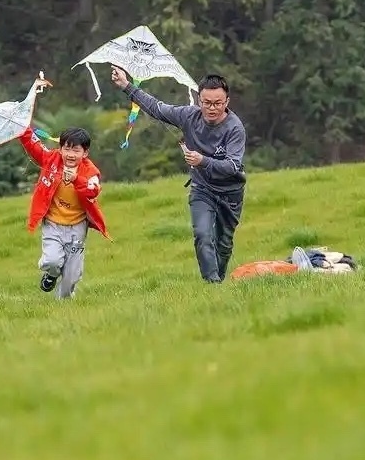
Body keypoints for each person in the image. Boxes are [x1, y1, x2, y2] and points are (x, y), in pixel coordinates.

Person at [110, 65, 246, 283]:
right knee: (203, 235)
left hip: (230, 193)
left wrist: (203, 161)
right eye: (207, 103)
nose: (212, 108)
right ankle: (212, 285)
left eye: (218, 103)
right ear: (199, 100)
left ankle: (220, 280)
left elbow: (233, 166)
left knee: (224, 243)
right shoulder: (188, 116)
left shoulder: (235, 128)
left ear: (227, 102)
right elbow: (157, 108)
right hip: (202, 189)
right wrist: (127, 86)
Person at [16, 124, 109, 299]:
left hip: (77, 228)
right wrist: (21, 127)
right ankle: (51, 275)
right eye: (66, 149)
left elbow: (93, 191)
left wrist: (76, 179)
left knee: (72, 276)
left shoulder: (91, 172)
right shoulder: (51, 160)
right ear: (60, 149)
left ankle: (63, 308)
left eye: (76, 151)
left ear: (85, 153)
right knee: (52, 261)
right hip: (52, 224)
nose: (70, 155)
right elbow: (33, 145)